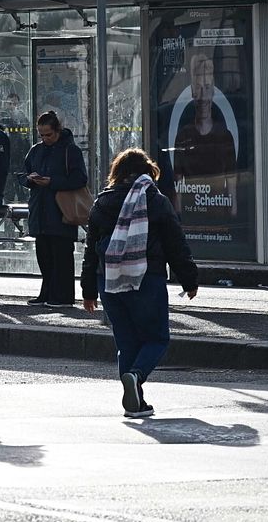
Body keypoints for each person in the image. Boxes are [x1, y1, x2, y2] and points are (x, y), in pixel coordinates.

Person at [82, 149, 198, 418]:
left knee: (126, 341)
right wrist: (189, 279)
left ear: (118, 172)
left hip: (108, 280)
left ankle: (134, 402)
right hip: (146, 278)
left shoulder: (101, 202)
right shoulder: (155, 200)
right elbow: (175, 244)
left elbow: (90, 250)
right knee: (157, 338)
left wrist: (88, 290)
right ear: (147, 172)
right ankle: (136, 375)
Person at [21, 110, 88, 308]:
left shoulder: (70, 150)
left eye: (48, 134)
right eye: (41, 135)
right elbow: (24, 173)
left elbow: (80, 179)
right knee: (44, 255)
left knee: (61, 255)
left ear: (57, 131)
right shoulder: (36, 150)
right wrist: (30, 179)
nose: (45, 138)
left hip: (61, 210)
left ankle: (63, 296)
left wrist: (52, 182)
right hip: (40, 209)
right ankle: (47, 292)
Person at [172, 53, 237, 217]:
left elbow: (231, 182)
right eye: (198, 88)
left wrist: (233, 213)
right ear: (193, 91)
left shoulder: (225, 136)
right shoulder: (183, 136)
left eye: (207, 87)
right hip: (192, 215)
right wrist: (179, 216)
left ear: (213, 90)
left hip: (220, 217)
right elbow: (178, 183)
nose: (202, 96)